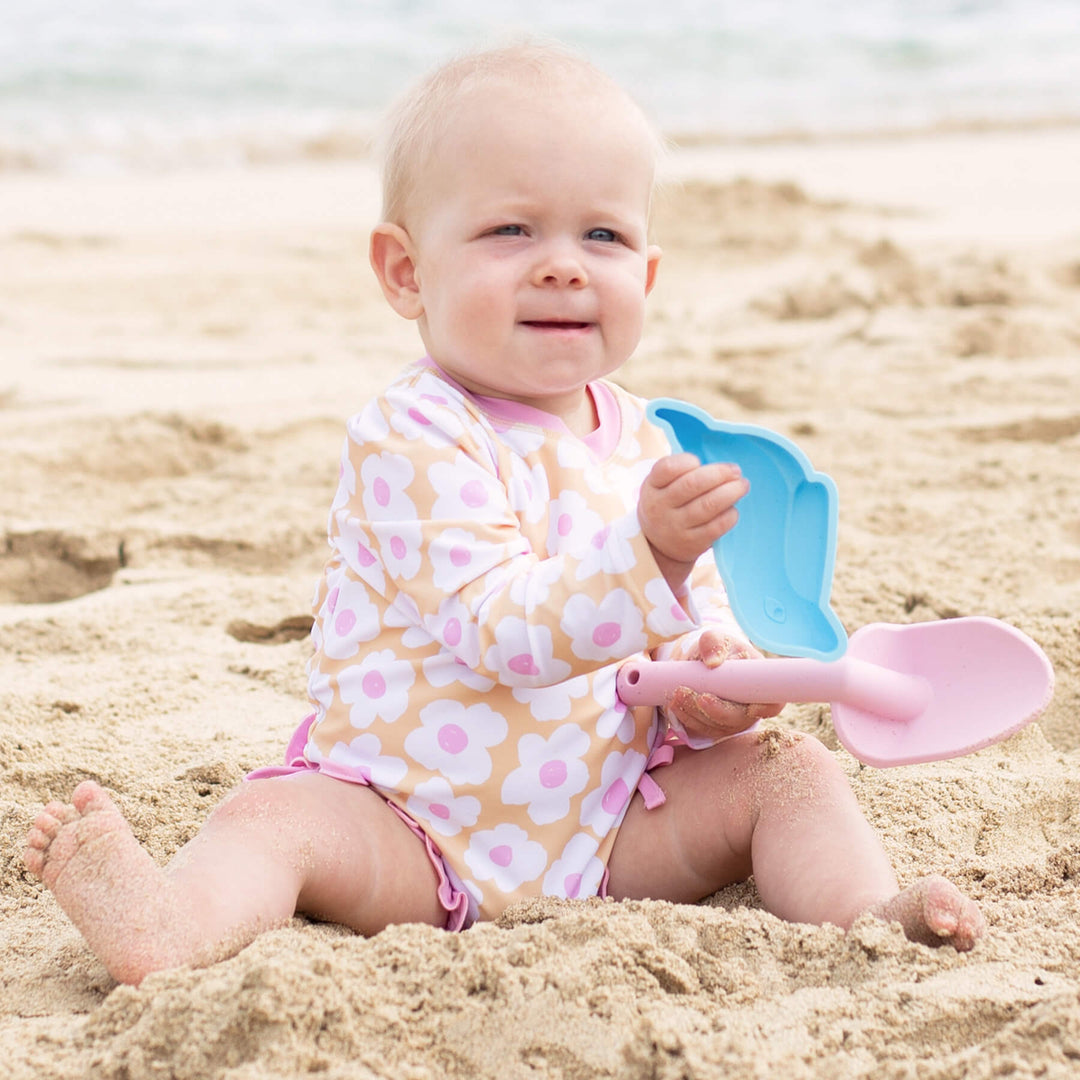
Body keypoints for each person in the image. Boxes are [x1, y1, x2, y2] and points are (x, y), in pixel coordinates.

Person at [23, 40, 985, 987]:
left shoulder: (652, 441)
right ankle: (171, 926)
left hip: (613, 822)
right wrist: (649, 554)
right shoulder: (412, 433)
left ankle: (866, 916)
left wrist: (717, 682)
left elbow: (692, 622)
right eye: (510, 232)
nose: (563, 266)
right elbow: (502, 633)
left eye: (601, 236)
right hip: (408, 819)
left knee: (788, 770)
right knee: (275, 822)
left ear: (645, 277)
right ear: (406, 273)